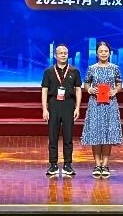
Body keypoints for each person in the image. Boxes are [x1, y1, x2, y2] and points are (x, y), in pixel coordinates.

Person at [81, 41, 123, 178]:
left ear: (109, 53)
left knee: (107, 134)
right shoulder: (92, 68)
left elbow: (119, 84)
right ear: (97, 53)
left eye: (106, 51)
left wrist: (115, 91)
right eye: (101, 51)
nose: (103, 53)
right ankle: (97, 164)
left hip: (110, 104)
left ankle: (105, 165)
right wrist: (90, 90)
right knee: (96, 133)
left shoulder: (115, 68)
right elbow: (86, 84)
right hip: (95, 104)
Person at [41, 44, 82, 177]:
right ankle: (53, 165)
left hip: (69, 105)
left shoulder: (74, 71)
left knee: (68, 137)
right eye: (61, 53)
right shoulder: (48, 71)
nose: (63, 55)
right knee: (53, 136)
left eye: (65, 53)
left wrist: (77, 107)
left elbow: (78, 90)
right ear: (55, 55)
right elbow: (44, 90)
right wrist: (45, 109)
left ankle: (67, 165)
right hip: (53, 105)